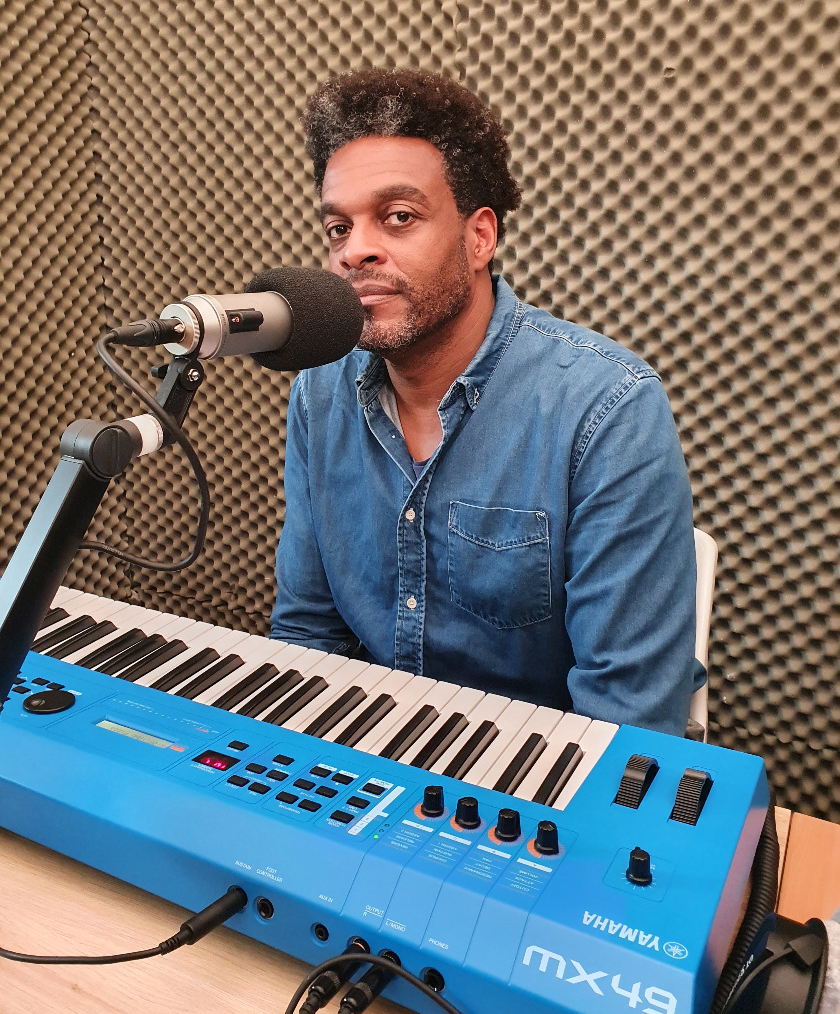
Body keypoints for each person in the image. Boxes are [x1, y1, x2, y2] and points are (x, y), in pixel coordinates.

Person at [270, 67, 704, 736]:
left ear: (479, 238)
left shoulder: (607, 408)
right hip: (371, 750)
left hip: (540, 769)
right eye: (337, 228)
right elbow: (307, 635)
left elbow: (628, 719)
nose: (355, 251)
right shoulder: (319, 392)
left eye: (398, 217)